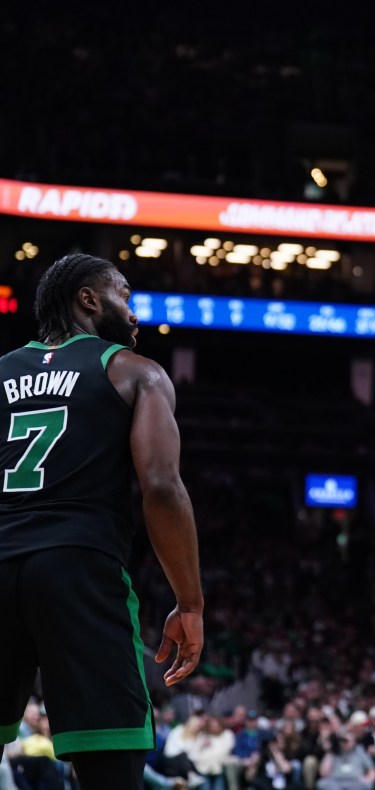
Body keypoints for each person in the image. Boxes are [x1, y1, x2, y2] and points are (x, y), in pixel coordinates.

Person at [0, 253, 205, 790]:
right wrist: (189, 603)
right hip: (79, 567)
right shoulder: (135, 372)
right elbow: (160, 486)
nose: (134, 314)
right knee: (109, 763)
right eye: (125, 297)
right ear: (88, 300)